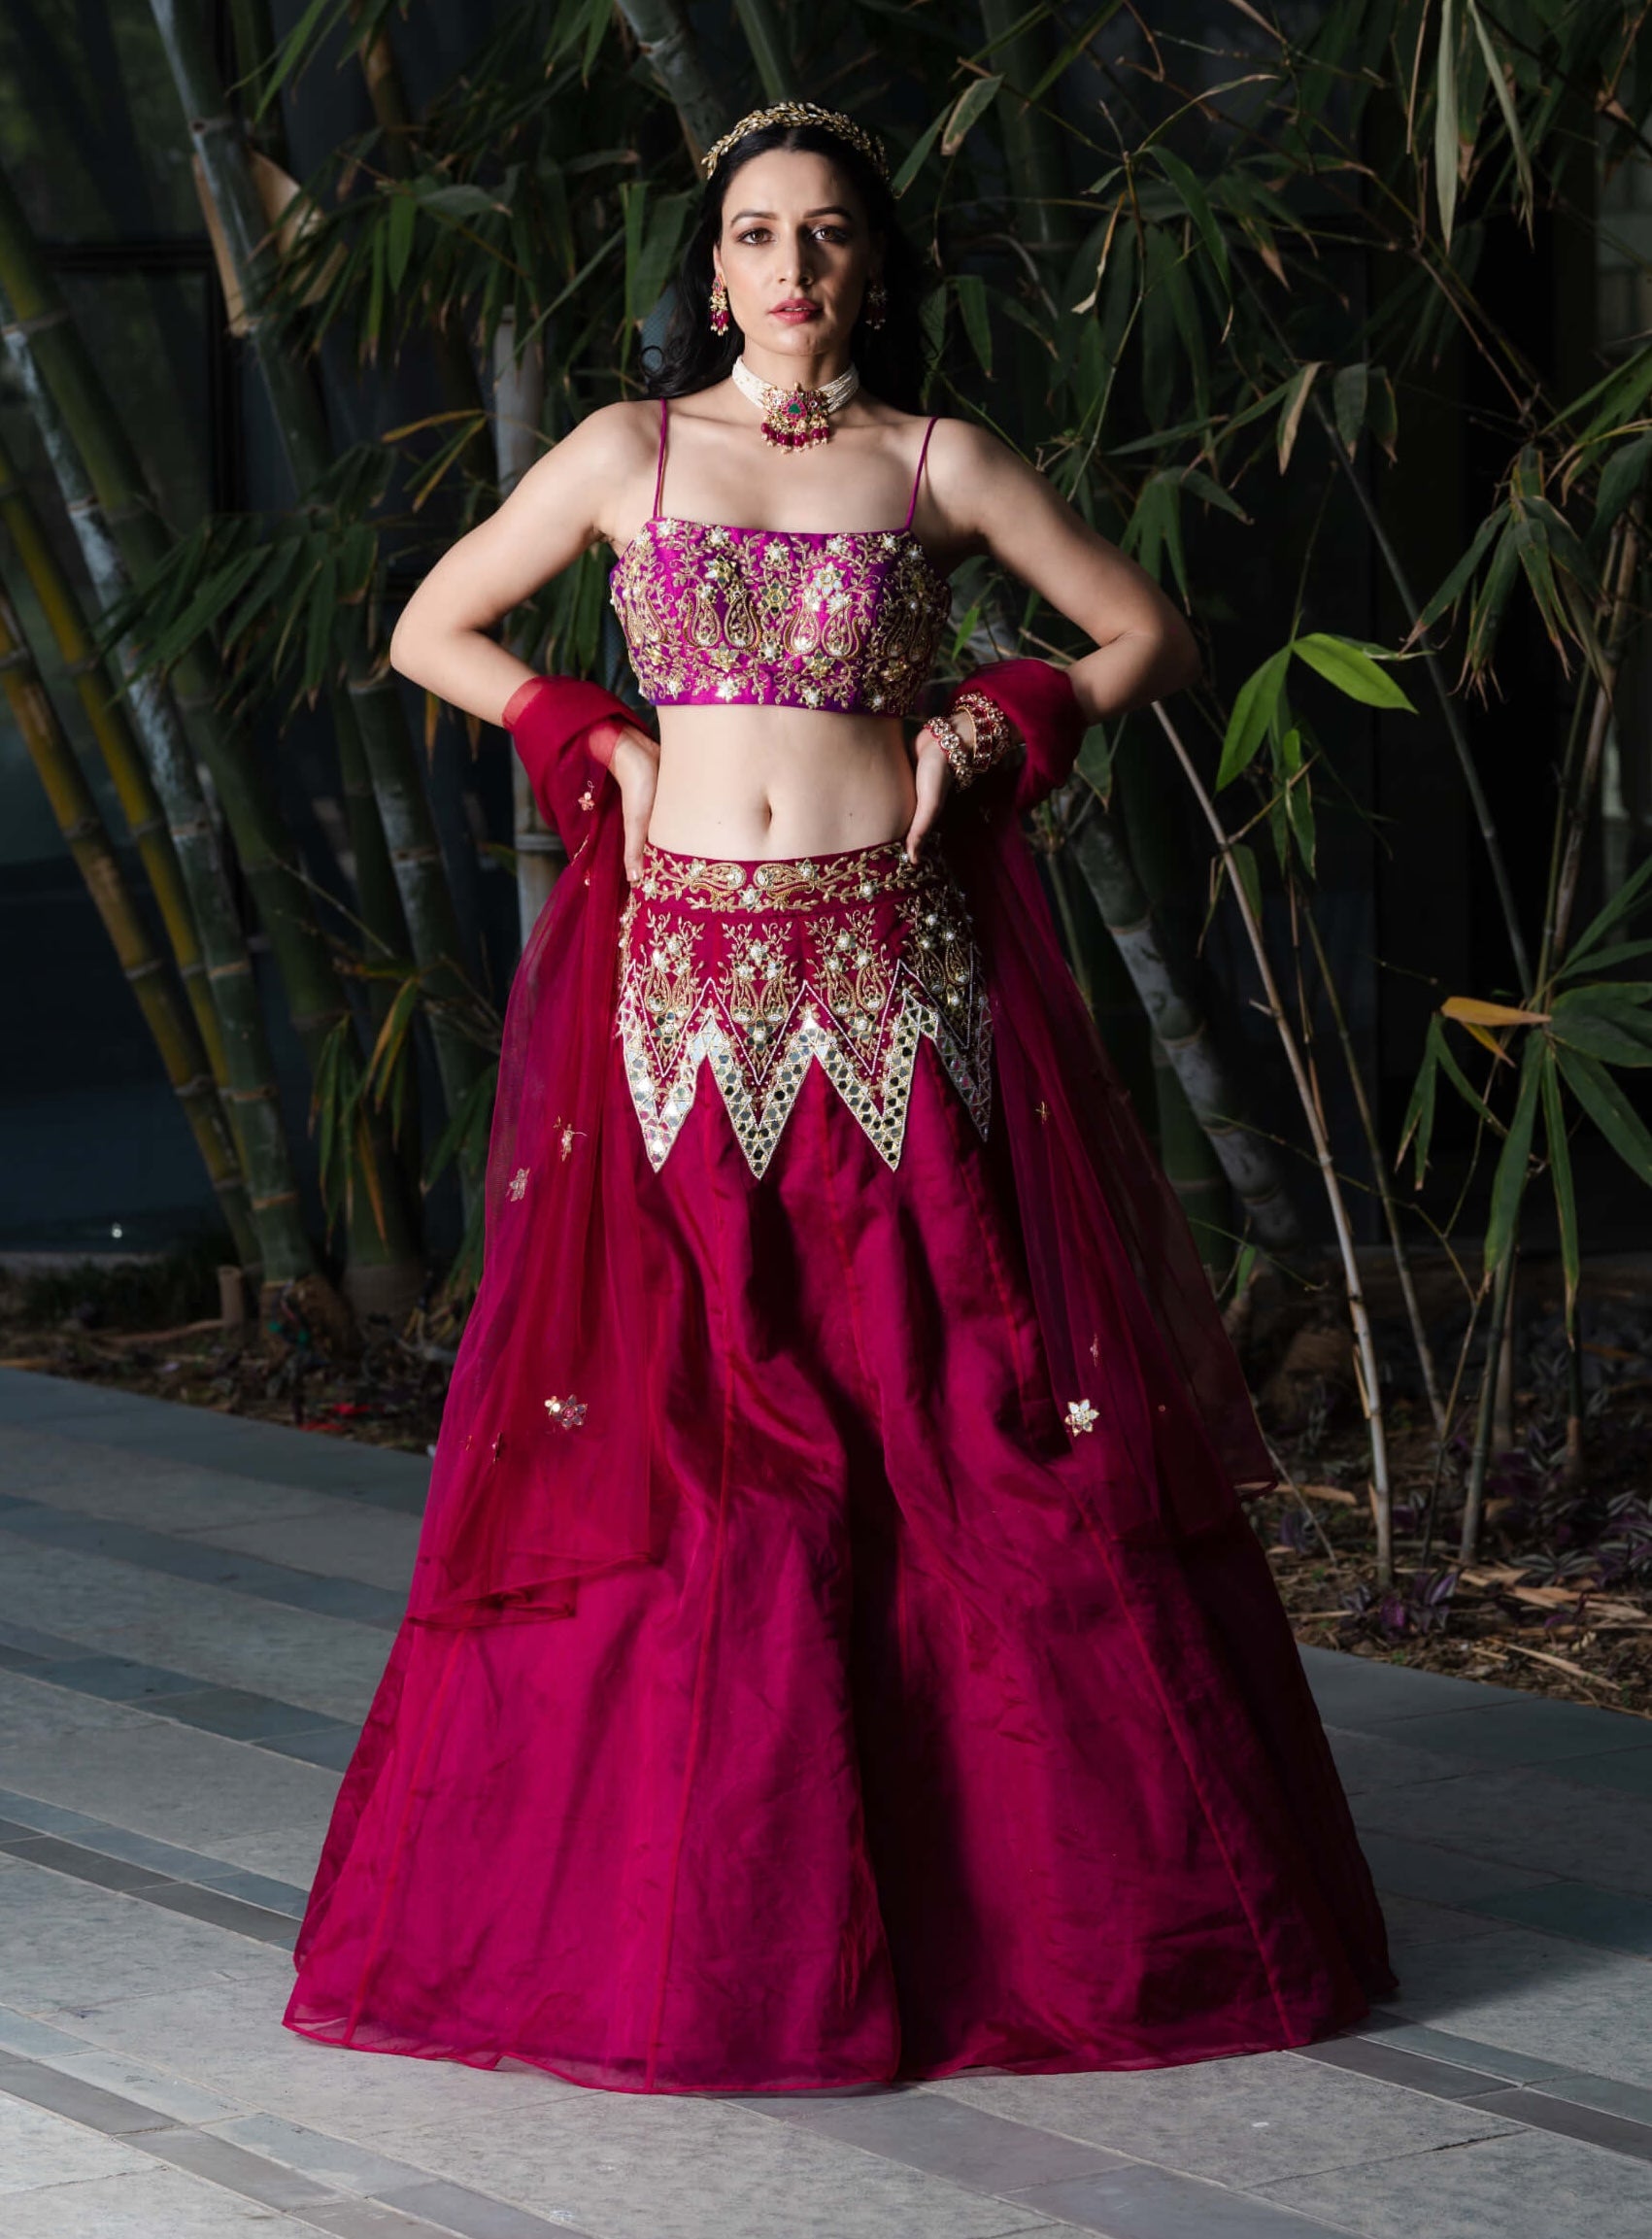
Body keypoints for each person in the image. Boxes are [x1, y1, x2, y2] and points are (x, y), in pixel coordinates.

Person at [285, 99, 1395, 2095]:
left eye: (823, 234)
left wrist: (996, 718)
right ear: (709, 273)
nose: (789, 266)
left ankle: (1010, 1922)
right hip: (682, 993)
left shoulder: (935, 459)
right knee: (706, 1443)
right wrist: (593, 733)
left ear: (871, 268)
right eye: (753, 234)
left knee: (943, 1412)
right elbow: (427, 627)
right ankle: (714, 1945)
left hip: (893, 981)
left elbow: (1143, 630)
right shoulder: (627, 452)